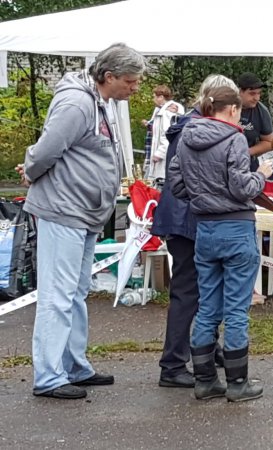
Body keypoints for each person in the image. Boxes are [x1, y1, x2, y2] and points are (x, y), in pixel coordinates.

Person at [19, 43, 144, 399]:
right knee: (58, 295)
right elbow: (46, 150)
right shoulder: (77, 104)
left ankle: (74, 365)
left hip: (84, 213)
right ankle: (49, 375)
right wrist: (30, 171)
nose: (135, 88)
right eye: (130, 81)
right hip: (64, 209)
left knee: (75, 293)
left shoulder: (98, 102)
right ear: (109, 77)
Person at [169, 86, 272, 402]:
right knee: (237, 309)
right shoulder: (235, 138)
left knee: (208, 307)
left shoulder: (185, 137)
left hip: (205, 229)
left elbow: (176, 184)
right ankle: (238, 383)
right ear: (232, 110)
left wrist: (203, 198)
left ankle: (205, 381)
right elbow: (243, 187)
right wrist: (263, 174)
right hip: (236, 226)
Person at [151, 74, 237, 389]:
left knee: (203, 290)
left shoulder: (186, 127)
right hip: (191, 218)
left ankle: (205, 348)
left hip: (181, 215)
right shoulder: (199, 130)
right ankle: (172, 364)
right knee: (188, 292)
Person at [144, 85, 184, 180]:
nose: (153, 99)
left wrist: (159, 154)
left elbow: (167, 134)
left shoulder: (166, 113)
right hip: (164, 156)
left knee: (160, 182)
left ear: (161, 97)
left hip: (164, 158)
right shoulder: (160, 110)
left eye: (154, 96)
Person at [237, 72, 273, 172]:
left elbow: (268, 142)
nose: (257, 98)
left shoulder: (262, 111)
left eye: (259, 93)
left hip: (245, 165)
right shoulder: (224, 107)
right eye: (252, 93)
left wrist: (246, 152)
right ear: (240, 91)